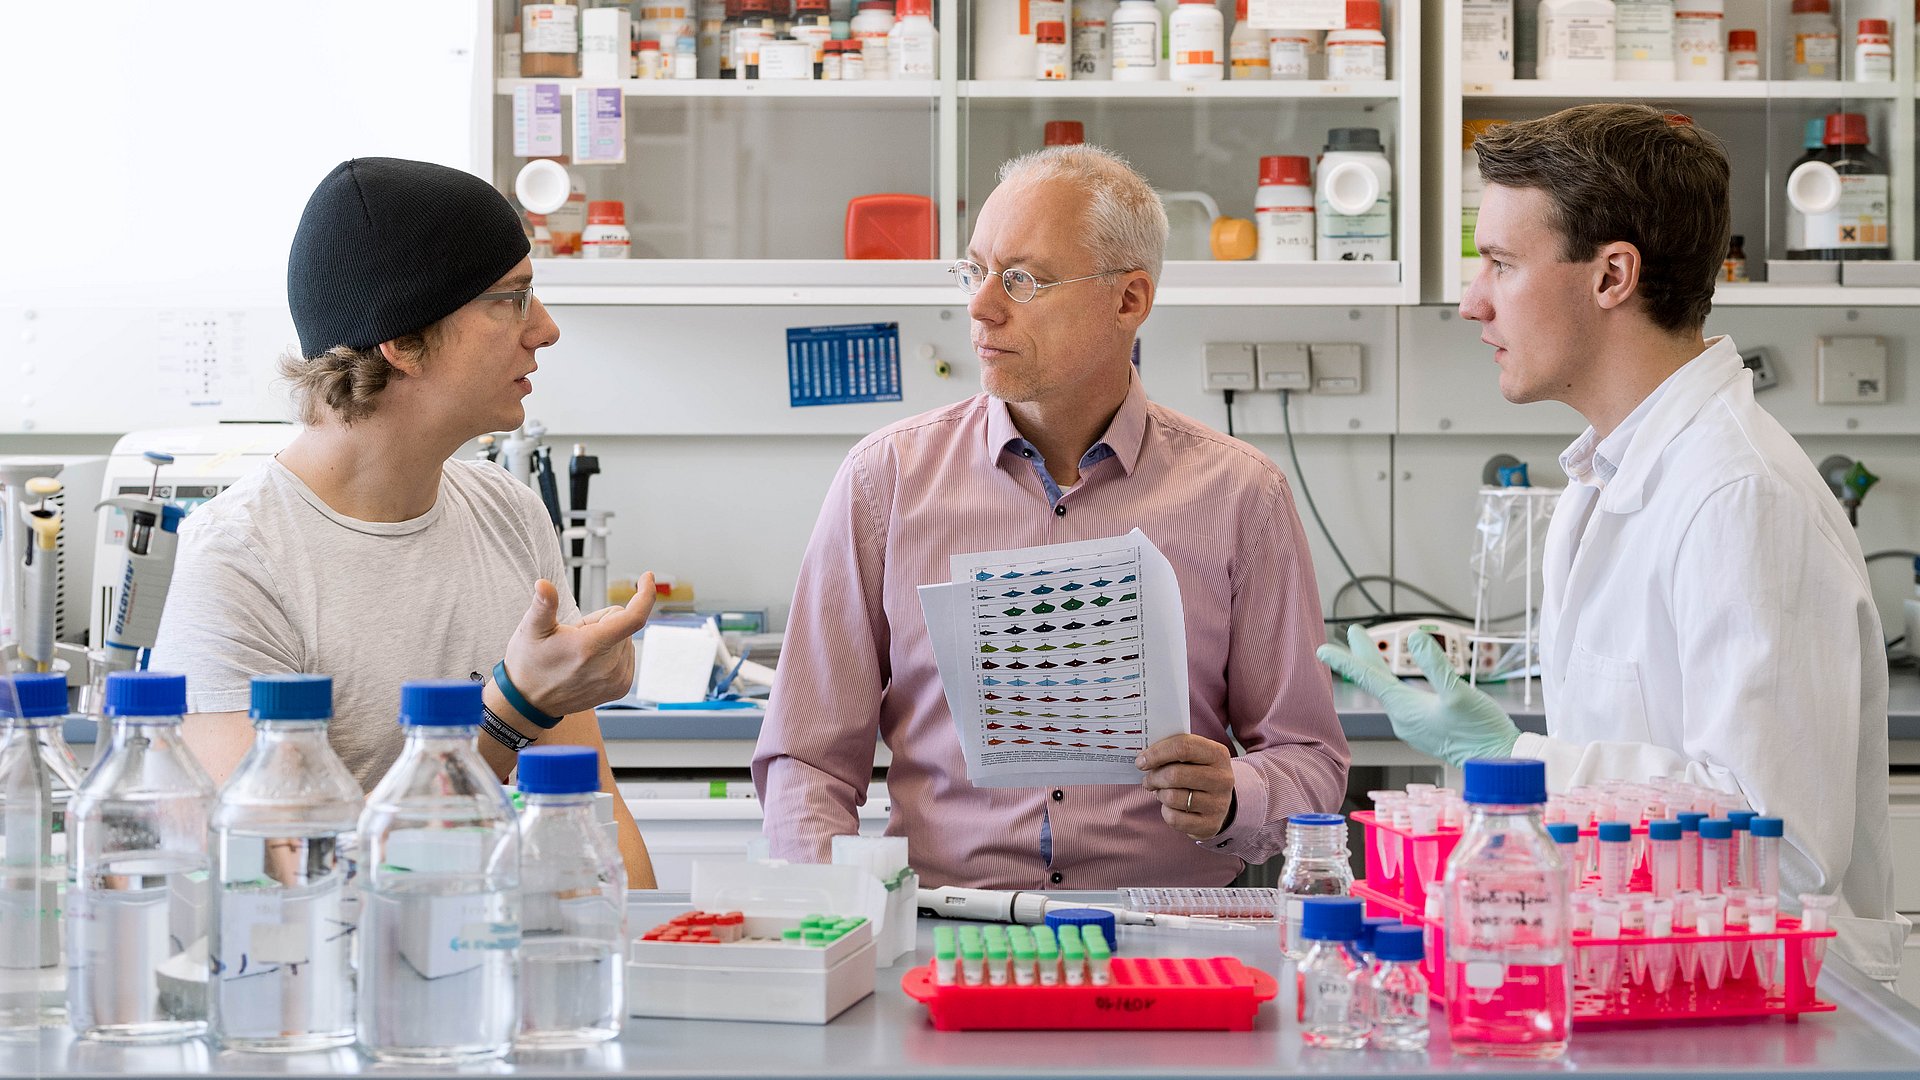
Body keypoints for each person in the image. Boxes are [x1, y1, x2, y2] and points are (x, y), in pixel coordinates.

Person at [1317, 104, 1905, 982]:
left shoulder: (1738, 497)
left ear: (1611, 276)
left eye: (1502, 263)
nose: (1472, 299)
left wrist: (1515, 764)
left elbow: (1780, 851)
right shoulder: (1610, 477)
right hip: (1657, 985)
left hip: (1774, 1012)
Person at [752, 146, 1348, 888]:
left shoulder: (1239, 494)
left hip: (1165, 933)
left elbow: (1314, 762)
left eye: (1023, 280)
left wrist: (1238, 795)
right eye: (975, 271)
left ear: (1129, 301)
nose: (980, 306)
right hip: (947, 929)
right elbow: (806, 760)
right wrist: (827, 916)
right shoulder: (887, 479)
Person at [149, 157, 657, 887]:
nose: (544, 330)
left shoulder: (508, 512)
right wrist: (512, 711)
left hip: (499, 976)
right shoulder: (239, 559)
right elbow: (303, 881)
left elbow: (591, 818)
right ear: (404, 340)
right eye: (511, 300)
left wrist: (653, 962)